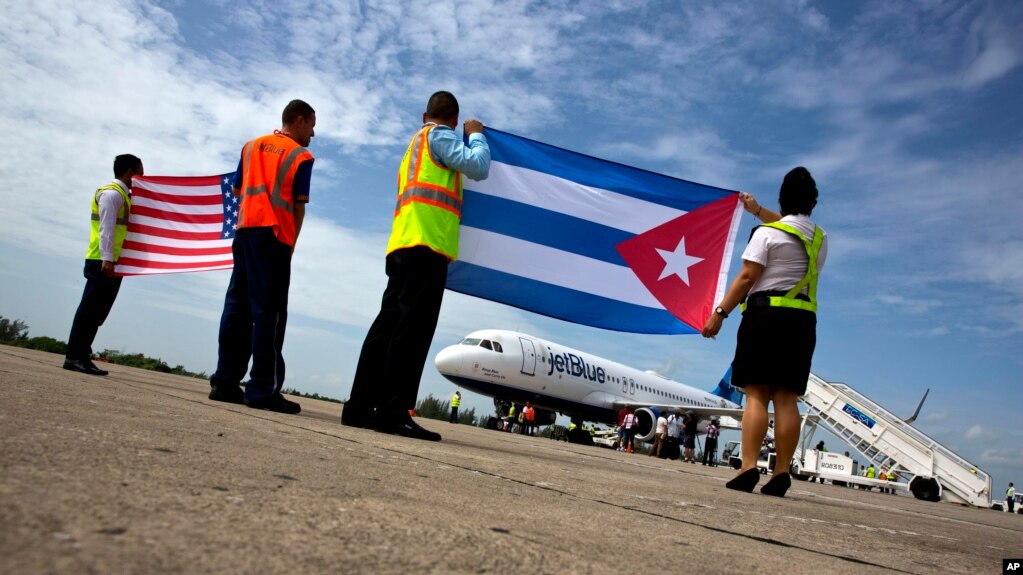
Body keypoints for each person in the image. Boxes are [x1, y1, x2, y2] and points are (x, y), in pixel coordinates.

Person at [341, 91, 490, 441]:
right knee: (413, 330)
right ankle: (392, 411)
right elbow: (478, 167)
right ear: (453, 120)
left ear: (425, 113)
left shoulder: (413, 146)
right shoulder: (439, 136)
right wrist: (478, 135)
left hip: (402, 243)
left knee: (386, 327)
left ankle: (359, 406)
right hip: (427, 244)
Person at [704, 167, 827, 498]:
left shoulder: (766, 235)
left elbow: (746, 277)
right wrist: (757, 211)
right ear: (812, 204)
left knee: (756, 393)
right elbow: (790, 227)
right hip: (802, 322)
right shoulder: (819, 241)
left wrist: (720, 313)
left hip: (765, 317)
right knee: (786, 397)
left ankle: (748, 466)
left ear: (781, 199)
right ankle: (782, 470)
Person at [207, 100, 316, 414]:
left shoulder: (251, 146)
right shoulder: (301, 156)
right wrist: (290, 245)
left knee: (236, 307)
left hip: (245, 230)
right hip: (275, 238)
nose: (312, 133)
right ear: (298, 121)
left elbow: (237, 190)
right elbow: (298, 205)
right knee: (269, 314)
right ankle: (261, 389)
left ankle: (224, 381)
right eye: (311, 125)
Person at [64, 155, 144, 376]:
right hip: (102, 260)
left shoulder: (125, 196)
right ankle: (74, 356)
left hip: (113, 262)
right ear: (129, 172)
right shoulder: (111, 194)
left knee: (99, 312)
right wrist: (107, 259)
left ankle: (82, 354)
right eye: (140, 174)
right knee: (90, 309)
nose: (141, 179)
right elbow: (106, 229)